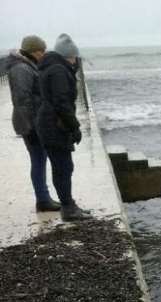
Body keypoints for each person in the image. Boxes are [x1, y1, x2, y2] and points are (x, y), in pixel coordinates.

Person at [35, 33, 90, 222]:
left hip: (50, 122)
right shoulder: (59, 70)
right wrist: (75, 127)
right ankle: (68, 208)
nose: (76, 61)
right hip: (54, 125)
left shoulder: (52, 66)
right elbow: (62, 103)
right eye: (74, 57)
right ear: (68, 55)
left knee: (63, 167)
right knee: (63, 167)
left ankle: (69, 204)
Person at [6, 35, 60, 212]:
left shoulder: (27, 65)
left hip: (34, 121)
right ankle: (43, 200)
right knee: (38, 160)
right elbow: (22, 100)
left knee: (40, 159)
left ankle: (44, 198)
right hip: (30, 123)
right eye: (40, 51)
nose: (43, 54)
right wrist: (32, 127)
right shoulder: (21, 68)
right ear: (32, 51)